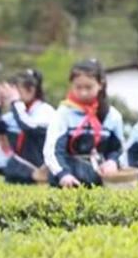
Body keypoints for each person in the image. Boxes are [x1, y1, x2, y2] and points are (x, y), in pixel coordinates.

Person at [43, 59, 126, 188]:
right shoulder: (63, 114)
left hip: (99, 183)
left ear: (100, 85)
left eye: (89, 87)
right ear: (71, 85)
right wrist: (63, 174)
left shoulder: (112, 116)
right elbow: (52, 150)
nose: (83, 92)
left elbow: (119, 149)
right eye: (78, 87)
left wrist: (112, 162)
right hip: (66, 183)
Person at [0, 69, 55, 184]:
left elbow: (28, 127)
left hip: (39, 174)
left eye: (16, 89)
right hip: (16, 172)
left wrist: (15, 102)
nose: (11, 93)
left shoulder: (45, 111)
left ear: (31, 90)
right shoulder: (14, 114)